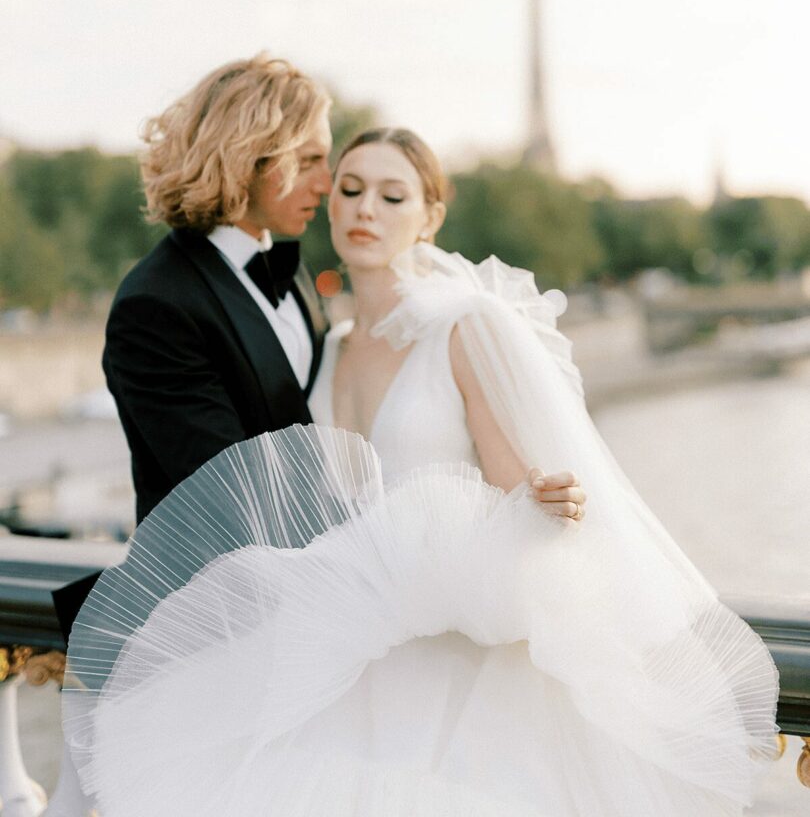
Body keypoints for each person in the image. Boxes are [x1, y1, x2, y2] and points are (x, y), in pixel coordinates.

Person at [62, 129, 778, 816]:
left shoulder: (466, 326)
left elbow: (518, 486)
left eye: (392, 195)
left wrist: (549, 497)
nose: (366, 209)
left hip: (454, 668)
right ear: (330, 205)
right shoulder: (328, 345)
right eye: (350, 189)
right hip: (344, 660)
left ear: (430, 216)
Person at [52, 52, 332, 634]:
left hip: (308, 610)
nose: (326, 184)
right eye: (308, 161)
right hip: (218, 621)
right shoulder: (156, 304)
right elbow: (223, 492)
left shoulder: (294, 273)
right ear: (248, 158)